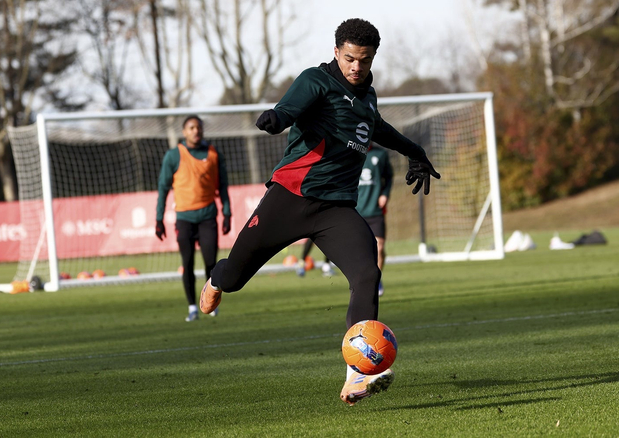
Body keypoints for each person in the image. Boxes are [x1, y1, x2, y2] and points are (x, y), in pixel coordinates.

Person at [199, 18, 439, 405]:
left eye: (364, 60)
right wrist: (277, 119)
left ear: (373, 56)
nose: (356, 67)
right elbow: (289, 108)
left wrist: (415, 150)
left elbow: (378, 127)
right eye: (349, 58)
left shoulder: (368, 96)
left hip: (335, 210)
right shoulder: (317, 80)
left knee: (367, 273)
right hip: (290, 198)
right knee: (234, 277)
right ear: (336, 52)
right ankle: (216, 279)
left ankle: (357, 374)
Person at [155, 115, 232, 322]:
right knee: (187, 263)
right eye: (191, 128)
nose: (195, 131)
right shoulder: (173, 155)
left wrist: (227, 213)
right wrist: (159, 218)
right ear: (184, 132)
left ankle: (211, 303)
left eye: (198, 127)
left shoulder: (214, 154)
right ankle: (192, 307)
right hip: (184, 219)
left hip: (208, 217)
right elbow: (163, 187)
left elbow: (223, 185)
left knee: (211, 263)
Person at [356, 145, 393, 296]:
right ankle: (364, 281)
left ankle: (376, 280)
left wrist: (385, 194)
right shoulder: (349, 150)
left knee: (379, 247)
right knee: (362, 250)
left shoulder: (381, 154)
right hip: (356, 210)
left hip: (375, 210)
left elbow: (389, 177)